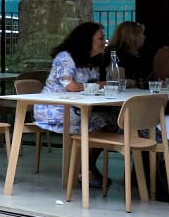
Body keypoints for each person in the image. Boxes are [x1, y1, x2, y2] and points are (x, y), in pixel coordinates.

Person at [33, 21, 115, 184]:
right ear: (87, 40)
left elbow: (90, 87)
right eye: (101, 38)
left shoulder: (90, 61)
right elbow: (71, 87)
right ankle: (85, 170)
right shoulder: (65, 57)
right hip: (54, 108)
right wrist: (102, 85)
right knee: (98, 125)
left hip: (75, 108)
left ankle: (86, 167)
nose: (104, 42)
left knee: (112, 124)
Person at [106, 20, 146, 86]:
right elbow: (117, 80)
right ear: (132, 36)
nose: (144, 37)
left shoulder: (132, 53)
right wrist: (139, 83)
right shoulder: (118, 53)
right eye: (141, 34)